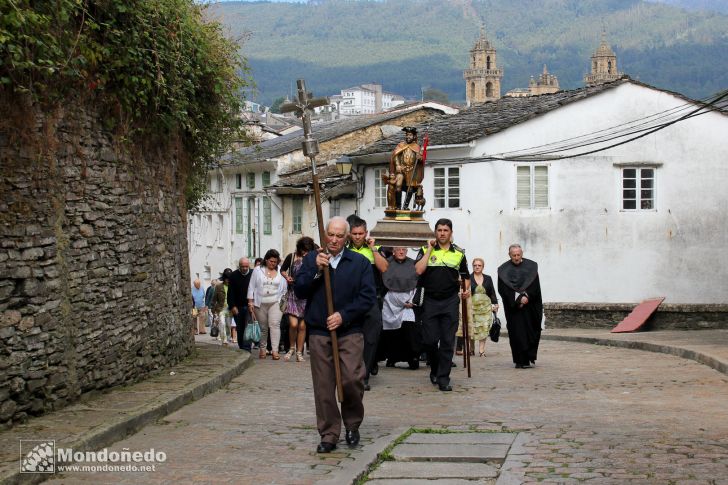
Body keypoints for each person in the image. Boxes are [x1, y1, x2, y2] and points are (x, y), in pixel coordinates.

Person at [294, 216, 376, 453]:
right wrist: (317, 271)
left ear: (347, 237)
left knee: (351, 378)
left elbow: (367, 297)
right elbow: (299, 290)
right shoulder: (312, 259)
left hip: (349, 331)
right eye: (331, 234)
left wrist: (343, 315)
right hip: (319, 331)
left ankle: (352, 423)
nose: (335, 240)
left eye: (340, 236)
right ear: (325, 234)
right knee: (323, 385)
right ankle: (329, 432)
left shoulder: (359, 262)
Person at [415, 218, 469, 392]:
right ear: (435, 232)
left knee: (447, 340)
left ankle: (443, 378)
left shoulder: (459, 253)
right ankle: (435, 368)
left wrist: (466, 289)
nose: (442, 233)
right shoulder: (425, 250)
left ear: (451, 232)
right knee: (430, 340)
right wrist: (430, 250)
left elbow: (466, 277)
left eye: (446, 230)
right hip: (430, 300)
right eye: (439, 230)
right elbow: (418, 270)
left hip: (450, 301)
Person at [347, 216, 388, 391]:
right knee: (351, 339)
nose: (357, 237)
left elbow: (384, 268)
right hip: (349, 300)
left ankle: (364, 375)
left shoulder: (375, 249)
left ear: (366, 233)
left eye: (360, 233)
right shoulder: (343, 250)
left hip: (371, 300)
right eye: (354, 233)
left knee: (371, 338)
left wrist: (373, 250)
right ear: (349, 234)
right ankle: (352, 372)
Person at [497, 244, 543, 369]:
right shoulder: (503, 270)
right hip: (514, 309)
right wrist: (518, 299)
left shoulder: (531, 266)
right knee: (516, 334)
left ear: (522, 254)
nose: (516, 258)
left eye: (518, 255)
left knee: (530, 331)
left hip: (530, 307)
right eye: (514, 255)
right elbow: (503, 289)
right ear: (509, 255)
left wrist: (527, 296)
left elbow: (535, 286)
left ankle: (528, 358)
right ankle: (519, 360)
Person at [380, 247, 420, 369]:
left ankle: (413, 358)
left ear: (407, 251)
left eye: (404, 249)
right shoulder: (387, 263)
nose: (401, 252)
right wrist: (399, 302)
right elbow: (384, 285)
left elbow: (417, 284)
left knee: (409, 330)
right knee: (393, 333)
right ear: (393, 251)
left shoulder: (412, 264)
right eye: (398, 249)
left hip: (409, 303)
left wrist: (412, 301)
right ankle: (392, 357)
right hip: (391, 304)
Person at [281, 237, 316, 362]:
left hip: (307, 295)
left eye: (308, 250)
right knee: (293, 324)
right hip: (293, 294)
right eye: (303, 250)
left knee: (302, 327)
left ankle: (299, 352)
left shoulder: (313, 258)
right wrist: (287, 277)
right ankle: (291, 348)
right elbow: (282, 270)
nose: (305, 253)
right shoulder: (292, 256)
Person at [247, 249, 287, 360]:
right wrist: (250, 302)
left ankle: (275, 351)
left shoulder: (280, 270)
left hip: (276, 302)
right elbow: (251, 286)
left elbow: (284, 288)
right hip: (260, 302)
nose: (273, 264)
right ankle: (263, 349)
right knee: (263, 327)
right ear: (266, 260)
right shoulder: (257, 270)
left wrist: (284, 302)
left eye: (275, 262)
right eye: (271, 261)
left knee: (275, 325)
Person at [385, 126, 423, 210]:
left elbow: (421, 160)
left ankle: (405, 207)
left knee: (410, 188)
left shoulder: (417, 147)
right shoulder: (401, 145)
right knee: (398, 185)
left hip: (411, 170)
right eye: (407, 135)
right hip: (401, 170)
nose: (408, 137)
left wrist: (419, 157)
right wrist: (398, 165)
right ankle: (398, 206)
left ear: (414, 136)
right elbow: (395, 156)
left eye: (410, 135)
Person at [469, 258, 499, 357]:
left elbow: (492, 292)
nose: (477, 267)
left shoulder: (488, 278)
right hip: (472, 307)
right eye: (475, 265)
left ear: (483, 267)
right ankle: (471, 348)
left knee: (484, 327)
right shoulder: (468, 278)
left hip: (485, 307)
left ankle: (482, 350)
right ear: (472, 266)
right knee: (472, 328)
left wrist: (495, 304)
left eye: (479, 265)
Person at [228, 258, 253, 351]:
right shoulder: (233, 275)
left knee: (248, 327)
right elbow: (230, 292)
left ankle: (247, 348)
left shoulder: (253, 274)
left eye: (246, 266)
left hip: (249, 305)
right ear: (239, 266)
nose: (245, 268)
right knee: (240, 328)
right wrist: (232, 306)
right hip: (238, 306)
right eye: (242, 266)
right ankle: (242, 347)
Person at [212, 269, 233, 346]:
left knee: (228, 324)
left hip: (230, 309)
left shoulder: (233, 286)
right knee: (222, 323)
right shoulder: (218, 287)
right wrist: (213, 310)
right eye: (226, 278)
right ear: (224, 278)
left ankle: (227, 337)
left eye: (229, 279)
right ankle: (224, 339)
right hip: (221, 308)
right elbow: (214, 299)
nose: (228, 280)